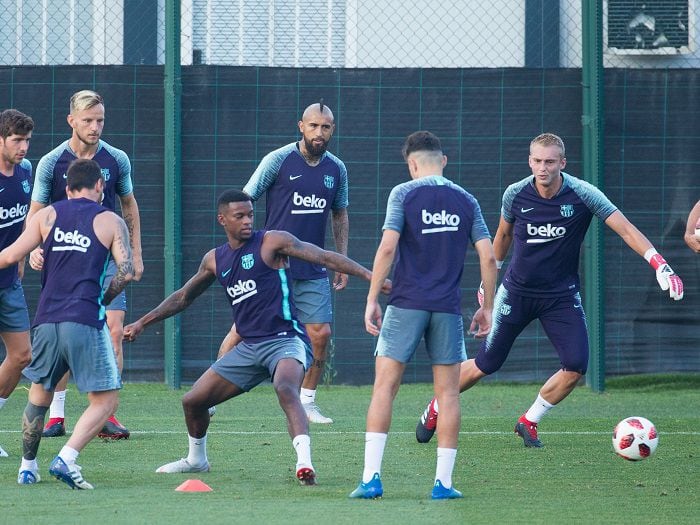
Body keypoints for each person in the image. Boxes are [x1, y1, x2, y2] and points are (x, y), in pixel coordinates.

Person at [414, 132, 685, 448]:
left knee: (576, 365)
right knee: (487, 363)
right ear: (530, 161)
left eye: (550, 162)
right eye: (537, 161)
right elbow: (501, 238)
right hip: (516, 292)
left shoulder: (583, 194)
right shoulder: (515, 194)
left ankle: (529, 421)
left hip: (561, 296)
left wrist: (659, 264)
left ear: (563, 163)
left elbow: (624, 228)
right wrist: (487, 286)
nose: (543, 168)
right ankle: (436, 405)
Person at [123, 189, 387, 486]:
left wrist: (371, 278)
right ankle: (197, 460)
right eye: (240, 216)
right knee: (193, 401)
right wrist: (143, 322)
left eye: (250, 214)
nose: (248, 220)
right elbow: (183, 297)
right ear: (222, 219)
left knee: (285, 386)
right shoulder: (215, 260)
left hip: (286, 340)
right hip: (248, 347)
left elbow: (324, 257)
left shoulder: (272, 242)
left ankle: (304, 462)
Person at [350, 131, 496, 500]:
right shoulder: (466, 199)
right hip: (446, 309)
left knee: (385, 387)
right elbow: (489, 257)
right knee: (448, 395)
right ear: (443, 160)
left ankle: (371, 480)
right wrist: (487, 306)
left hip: (405, 304)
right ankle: (443, 484)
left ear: (412, 164)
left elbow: (387, 248)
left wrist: (370, 298)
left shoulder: (403, 193)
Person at [0, 158, 133, 488]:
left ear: (68, 187)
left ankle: (27, 467)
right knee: (106, 399)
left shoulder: (46, 215)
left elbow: (9, 256)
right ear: (100, 185)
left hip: (45, 320)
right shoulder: (110, 220)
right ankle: (66, 457)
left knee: (39, 393)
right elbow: (126, 271)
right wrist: (104, 299)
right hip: (85, 319)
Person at [219, 101, 348, 424]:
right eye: (314, 126)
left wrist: (340, 261)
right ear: (300, 126)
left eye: (326, 127)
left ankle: (308, 401)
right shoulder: (277, 160)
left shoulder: (337, 169)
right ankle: (211, 395)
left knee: (320, 334)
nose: (320, 132)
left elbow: (340, 213)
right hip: (271, 268)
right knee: (240, 331)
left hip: (312, 267)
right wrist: (246, 252)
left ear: (332, 130)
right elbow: (244, 202)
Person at [27, 90, 143, 440]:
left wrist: (135, 254)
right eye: (88, 120)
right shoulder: (51, 162)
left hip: (106, 257)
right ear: (71, 121)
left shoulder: (116, 159)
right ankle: (56, 416)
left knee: (113, 330)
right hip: (65, 257)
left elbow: (129, 205)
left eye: (100, 120)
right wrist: (34, 248)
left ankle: (108, 415)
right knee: (61, 331)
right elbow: (37, 211)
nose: (95, 127)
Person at [0, 109, 34, 458]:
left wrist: (21, 256)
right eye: (16, 140)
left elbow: (27, 221)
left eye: (26, 141)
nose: (23, 147)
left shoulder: (25, 172)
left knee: (22, 355)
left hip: (9, 282)